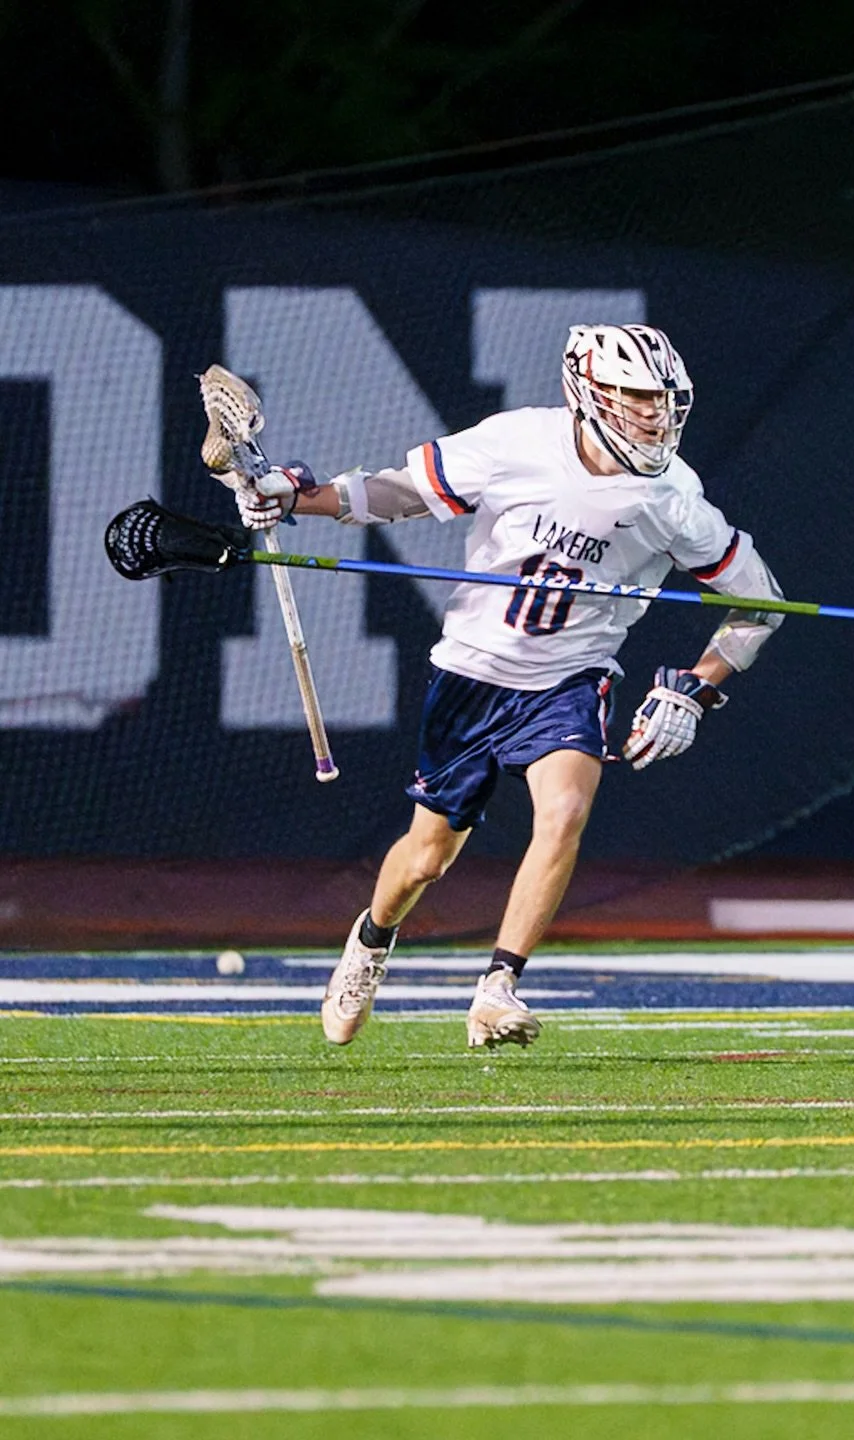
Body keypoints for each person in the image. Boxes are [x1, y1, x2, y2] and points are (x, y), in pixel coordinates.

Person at [218, 324, 785, 1051]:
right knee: (427, 858)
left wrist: (696, 690)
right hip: (473, 673)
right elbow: (399, 493)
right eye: (638, 399)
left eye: (666, 402)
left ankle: (498, 987)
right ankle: (370, 940)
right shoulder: (518, 443)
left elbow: (761, 604)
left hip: (571, 679)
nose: (655, 417)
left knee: (565, 811)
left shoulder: (674, 499)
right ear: (589, 391)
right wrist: (296, 498)